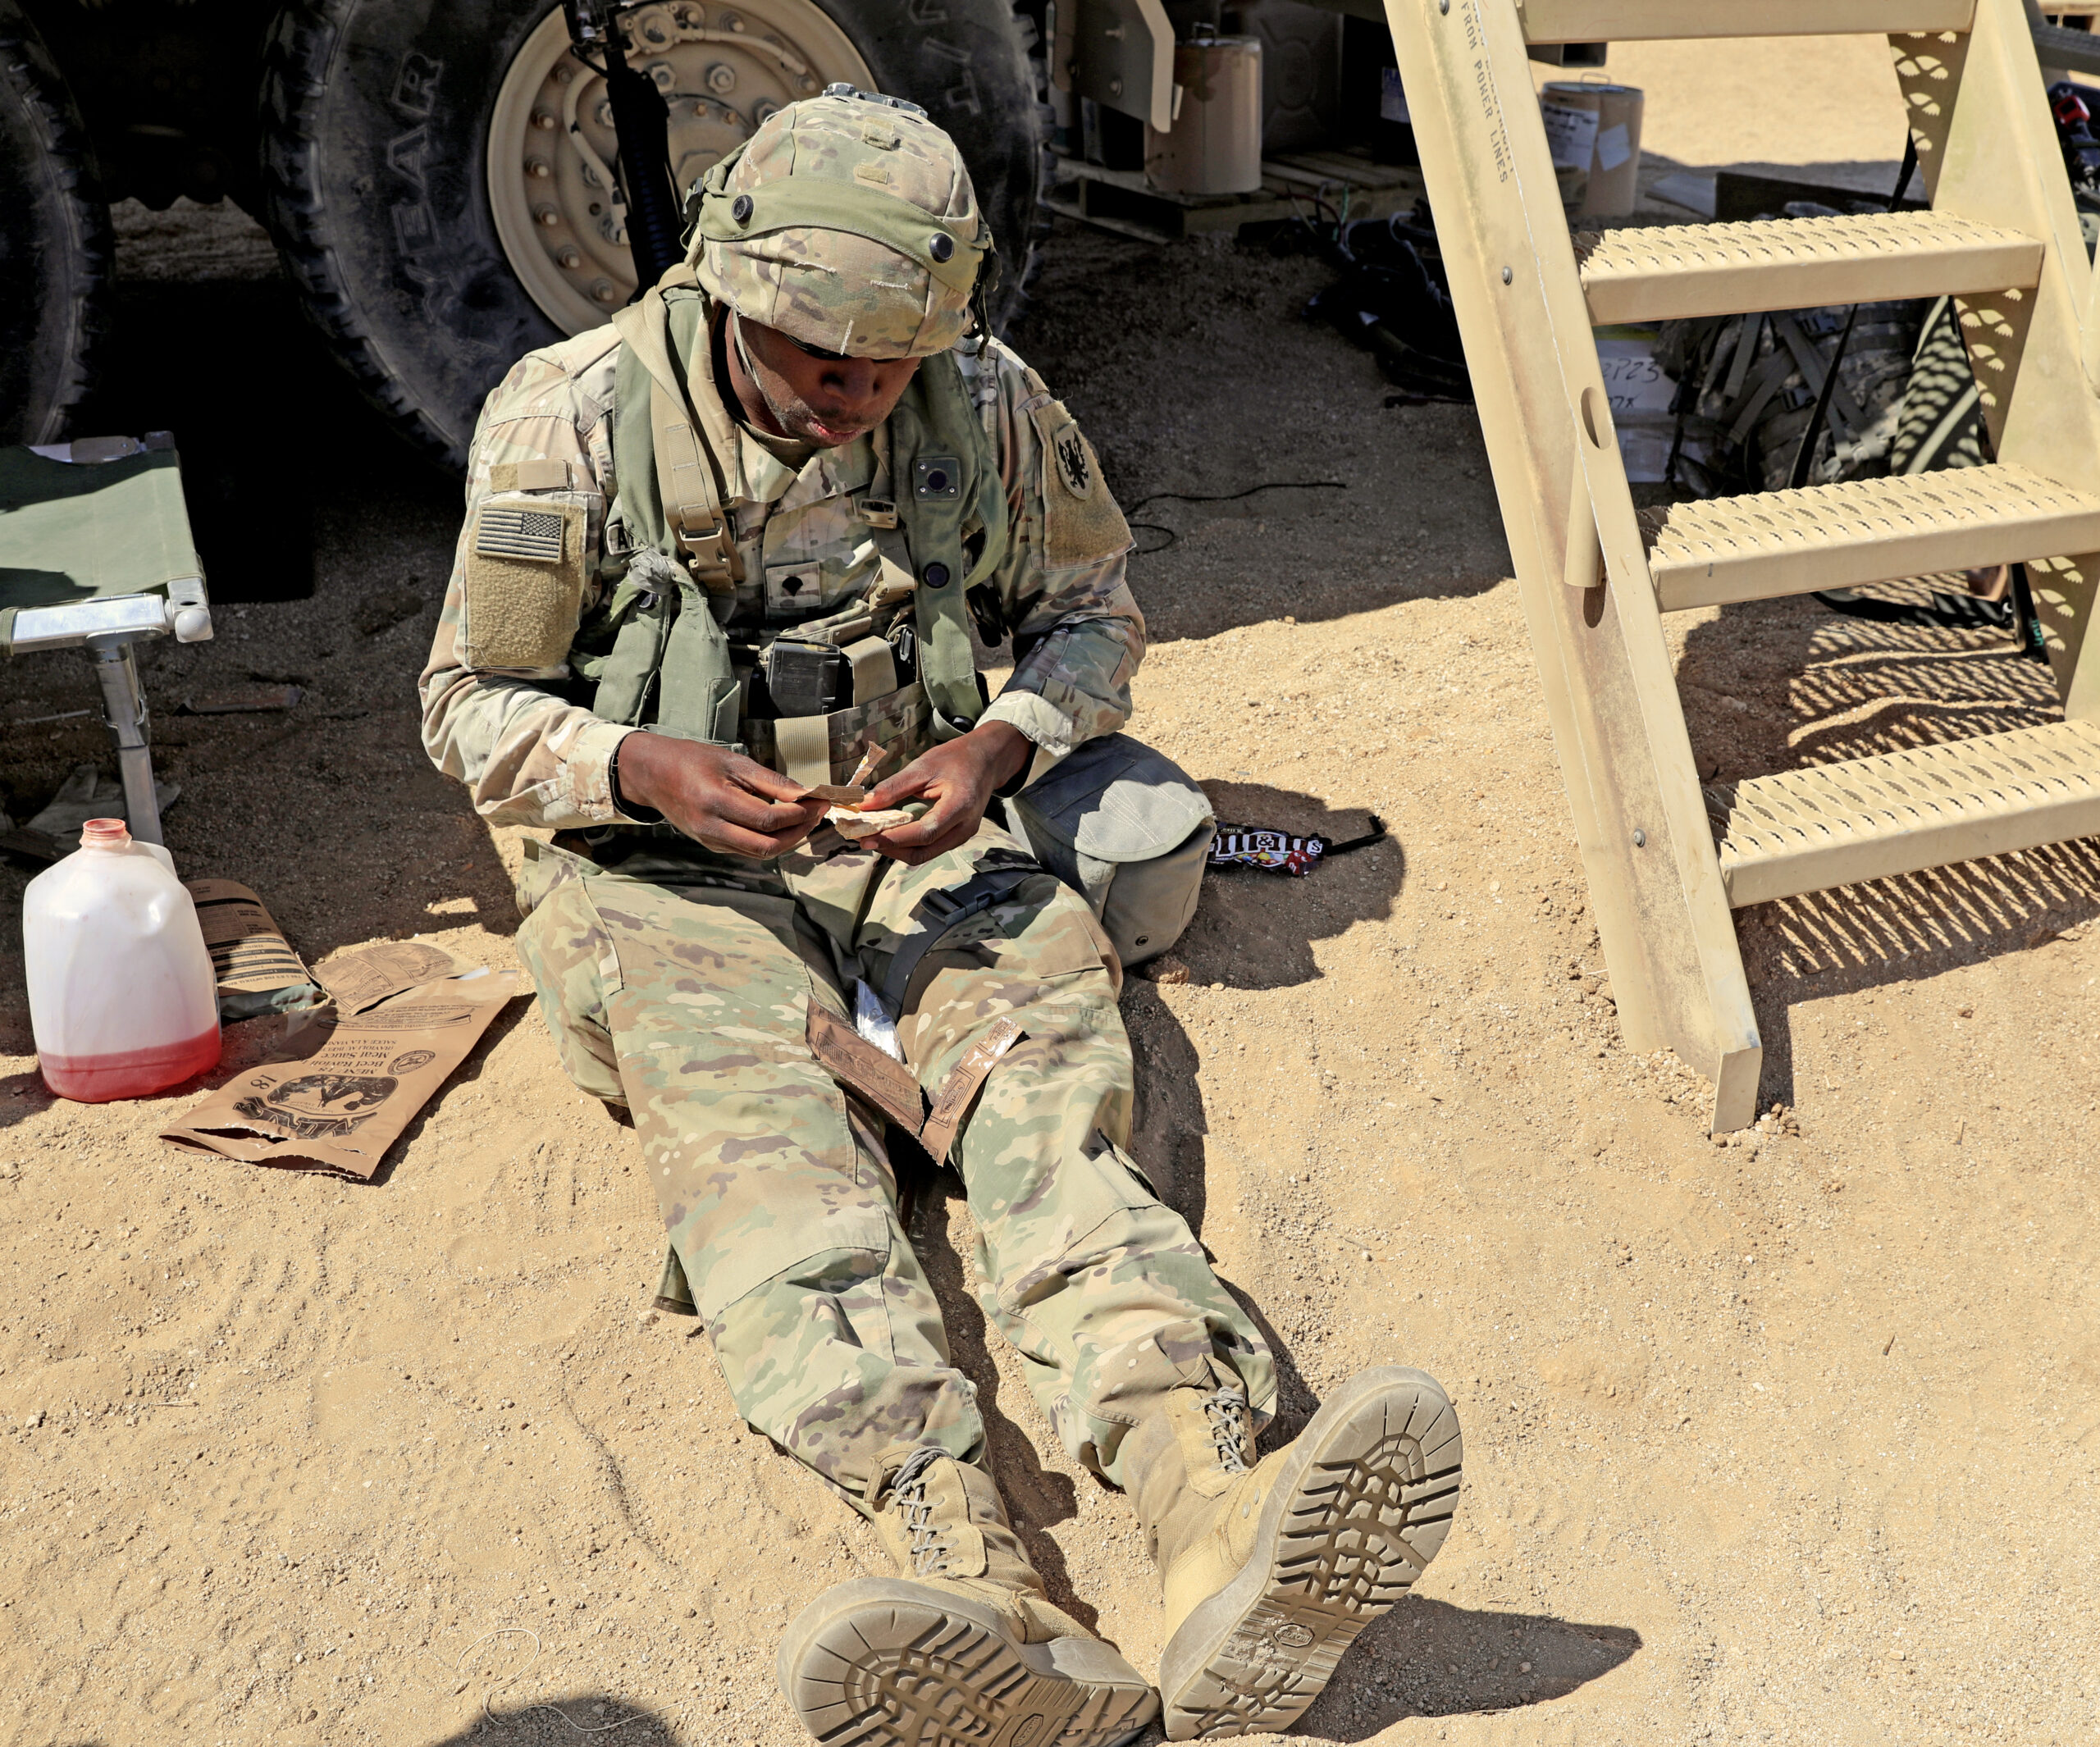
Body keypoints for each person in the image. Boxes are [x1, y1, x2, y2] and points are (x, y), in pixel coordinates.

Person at [420, 85, 1463, 1745]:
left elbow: (1092, 617)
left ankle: (1209, 1516)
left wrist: (999, 744)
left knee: (1050, 1119)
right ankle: (970, 1574)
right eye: (823, 367)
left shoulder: (981, 396)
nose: (861, 400)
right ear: (724, 286)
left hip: (928, 835)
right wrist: (637, 766)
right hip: (682, 876)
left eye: (894, 364)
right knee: (773, 1178)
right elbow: (466, 704)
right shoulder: (568, 419)